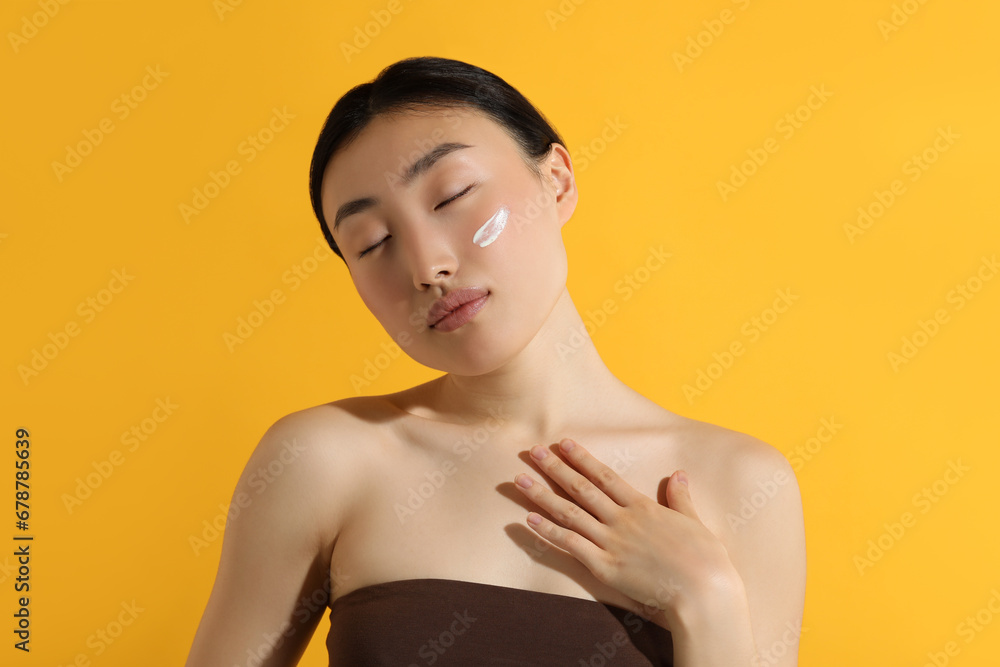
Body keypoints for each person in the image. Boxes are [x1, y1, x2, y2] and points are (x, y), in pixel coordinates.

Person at [185, 56, 806, 666]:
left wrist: (710, 603)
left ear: (556, 181)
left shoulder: (742, 483)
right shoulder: (324, 460)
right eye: (372, 243)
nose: (427, 266)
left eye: (452, 194)